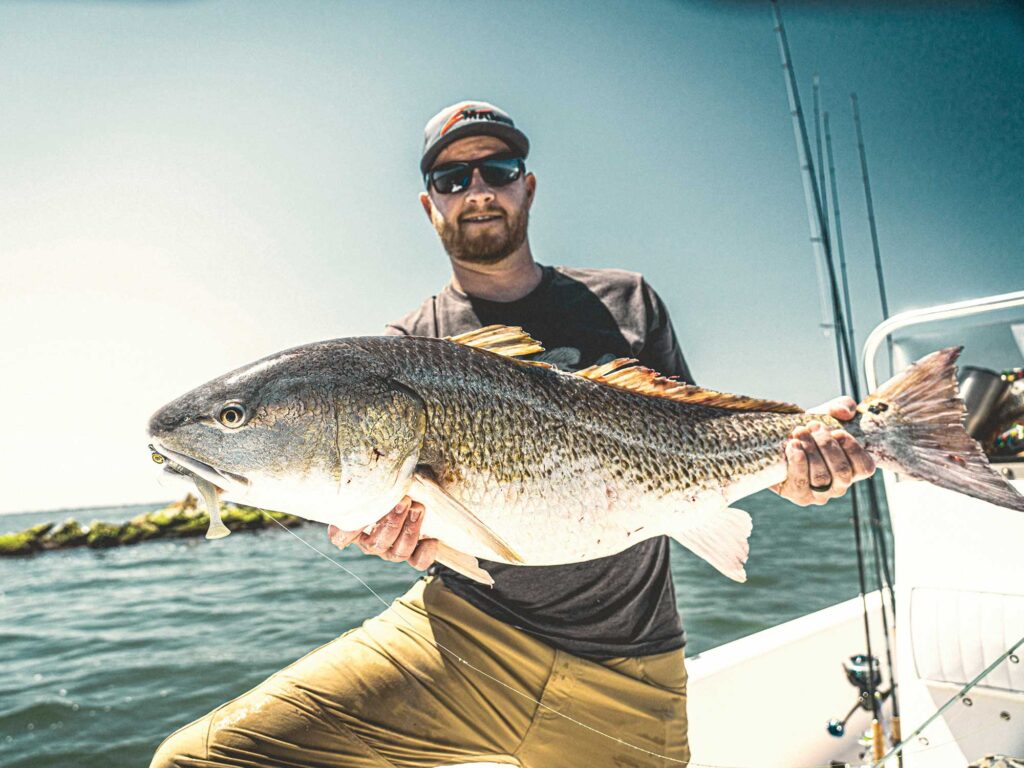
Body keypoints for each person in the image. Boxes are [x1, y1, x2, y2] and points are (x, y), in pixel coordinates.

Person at [151, 101, 875, 768]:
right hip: (458, 642)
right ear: (428, 201)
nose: (476, 190)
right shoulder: (410, 342)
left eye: (496, 170)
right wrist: (401, 539)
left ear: (526, 187)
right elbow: (437, 539)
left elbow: (694, 435)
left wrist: (796, 470)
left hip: (629, 664)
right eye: (450, 176)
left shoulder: (624, 301)